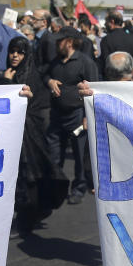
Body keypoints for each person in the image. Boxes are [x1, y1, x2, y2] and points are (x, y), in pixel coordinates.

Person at [0, 36, 67, 233]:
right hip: (16, 133)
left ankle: (27, 218)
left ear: (26, 54)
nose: (14, 56)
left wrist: (6, 81)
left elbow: (24, 102)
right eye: (12, 51)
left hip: (29, 134)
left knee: (28, 176)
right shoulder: (13, 73)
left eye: (20, 52)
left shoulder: (29, 75)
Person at [45, 26, 98, 205]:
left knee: (79, 155)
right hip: (57, 115)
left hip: (77, 116)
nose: (56, 44)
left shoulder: (85, 62)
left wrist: (87, 116)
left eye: (59, 40)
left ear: (68, 42)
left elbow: (93, 90)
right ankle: (56, 187)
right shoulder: (55, 62)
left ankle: (78, 188)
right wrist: (49, 81)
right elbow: (43, 73)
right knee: (54, 154)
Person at [99, 10, 133, 80]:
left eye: (106, 22)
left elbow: (106, 63)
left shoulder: (106, 40)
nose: (105, 24)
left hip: (113, 81)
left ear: (112, 22)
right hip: (132, 81)